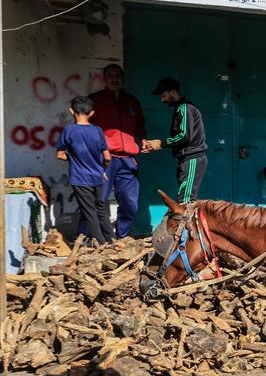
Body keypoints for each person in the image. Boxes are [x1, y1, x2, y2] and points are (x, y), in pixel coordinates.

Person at [88, 63, 145, 238]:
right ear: (104, 79)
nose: (115, 79)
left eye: (118, 75)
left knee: (130, 204)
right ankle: (90, 238)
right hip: (104, 159)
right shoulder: (95, 100)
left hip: (128, 159)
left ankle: (122, 238)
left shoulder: (132, 101)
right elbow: (85, 128)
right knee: (98, 200)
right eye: (111, 75)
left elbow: (140, 127)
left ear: (123, 79)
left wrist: (141, 144)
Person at [56, 96, 114, 245]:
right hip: (97, 177)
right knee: (101, 211)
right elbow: (107, 157)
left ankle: (101, 244)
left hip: (79, 179)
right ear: (92, 113)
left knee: (90, 213)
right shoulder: (98, 131)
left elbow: (60, 155)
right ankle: (113, 241)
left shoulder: (69, 131)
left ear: (71, 111)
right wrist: (103, 170)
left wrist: (74, 158)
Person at [143, 78, 207, 203]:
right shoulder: (180, 108)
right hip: (186, 160)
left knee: (185, 201)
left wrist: (161, 143)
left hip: (192, 158)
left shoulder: (185, 108)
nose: (162, 100)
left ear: (173, 91)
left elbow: (184, 135)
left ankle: (187, 223)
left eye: (164, 95)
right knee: (186, 200)